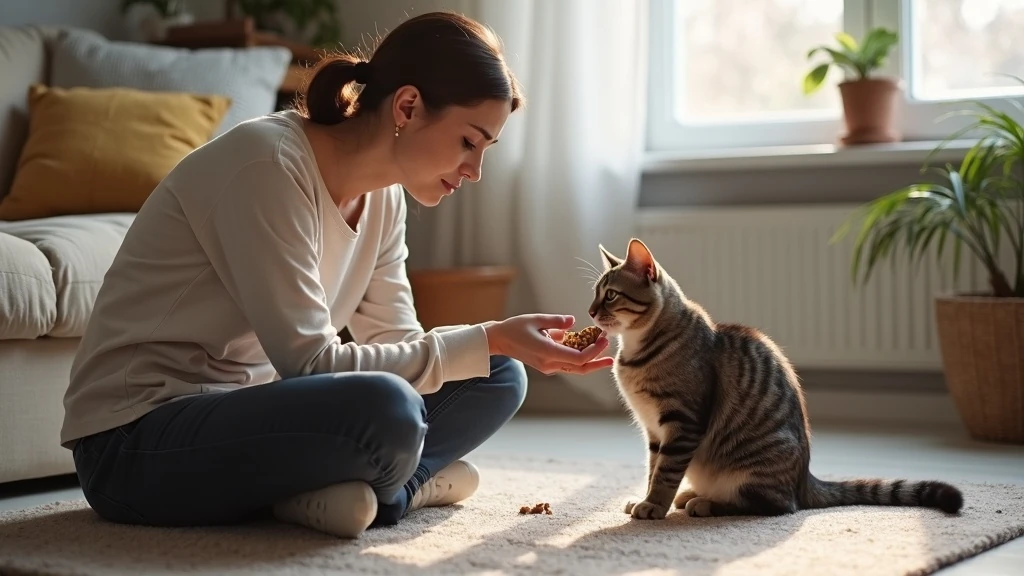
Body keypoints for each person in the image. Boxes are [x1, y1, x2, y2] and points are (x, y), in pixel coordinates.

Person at [59, 11, 613, 540]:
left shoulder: (386, 201)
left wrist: (493, 344)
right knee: (387, 410)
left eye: (485, 149)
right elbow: (311, 365)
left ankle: (360, 489)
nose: (474, 171)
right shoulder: (268, 166)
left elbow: (399, 346)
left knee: (499, 373)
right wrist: (484, 335)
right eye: (469, 141)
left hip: (254, 417)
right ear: (408, 107)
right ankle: (398, 488)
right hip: (135, 443)